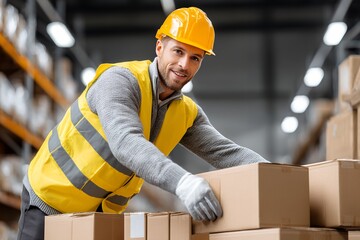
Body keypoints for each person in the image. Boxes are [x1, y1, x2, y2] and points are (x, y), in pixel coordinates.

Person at [17, 6, 269, 240]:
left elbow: (227, 153)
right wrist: (183, 182)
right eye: (178, 51)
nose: (184, 65)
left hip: (96, 216)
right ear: (159, 47)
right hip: (49, 201)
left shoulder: (186, 112)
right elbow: (125, 142)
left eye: (195, 58)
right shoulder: (120, 81)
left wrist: (282, 177)